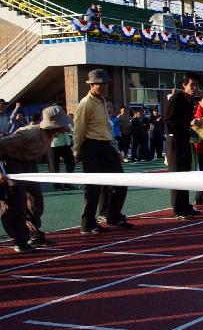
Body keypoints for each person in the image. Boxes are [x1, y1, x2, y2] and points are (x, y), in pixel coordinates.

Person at [0, 105, 72, 253]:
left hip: (29, 166)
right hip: (12, 165)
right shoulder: (28, 134)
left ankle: (33, 233)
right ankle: (19, 239)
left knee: (36, 201)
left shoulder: (51, 134)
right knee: (15, 203)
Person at [73, 69, 133, 233]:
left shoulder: (102, 102)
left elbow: (107, 128)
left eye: (105, 83)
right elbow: (79, 128)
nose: (104, 86)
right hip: (92, 146)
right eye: (100, 83)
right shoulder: (86, 103)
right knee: (93, 188)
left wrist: (115, 148)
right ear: (91, 85)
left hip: (106, 145)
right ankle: (88, 223)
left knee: (120, 183)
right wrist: (76, 150)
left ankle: (111, 215)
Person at [165, 72, 202, 219]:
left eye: (197, 85)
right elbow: (168, 121)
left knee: (186, 174)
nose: (195, 88)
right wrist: (189, 123)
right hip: (174, 141)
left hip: (185, 140)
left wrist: (195, 122)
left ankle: (185, 205)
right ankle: (178, 209)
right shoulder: (177, 98)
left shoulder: (190, 100)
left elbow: (187, 120)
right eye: (192, 85)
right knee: (177, 175)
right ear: (184, 85)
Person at [48, 115, 75, 191]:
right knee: (55, 166)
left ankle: (67, 183)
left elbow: (70, 128)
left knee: (71, 162)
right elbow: (49, 128)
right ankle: (57, 185)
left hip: (66, 143)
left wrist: (65, 128)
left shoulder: (66, 118)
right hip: (55, 144)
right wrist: (60, 128)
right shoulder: (50, 118)